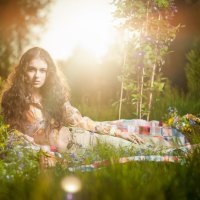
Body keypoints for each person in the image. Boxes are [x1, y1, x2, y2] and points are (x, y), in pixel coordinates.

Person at [1, 47, 145, 153]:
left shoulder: (53, 96)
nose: (37, 76)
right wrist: (35, 147)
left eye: (42, 70)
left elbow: (80, 121)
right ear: (23, 71)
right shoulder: (12, 99)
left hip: (80, 139)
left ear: (48, 73)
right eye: (32, 69)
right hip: (58, 152)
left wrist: (118, 132)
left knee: (132, 147)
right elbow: (8, 132)